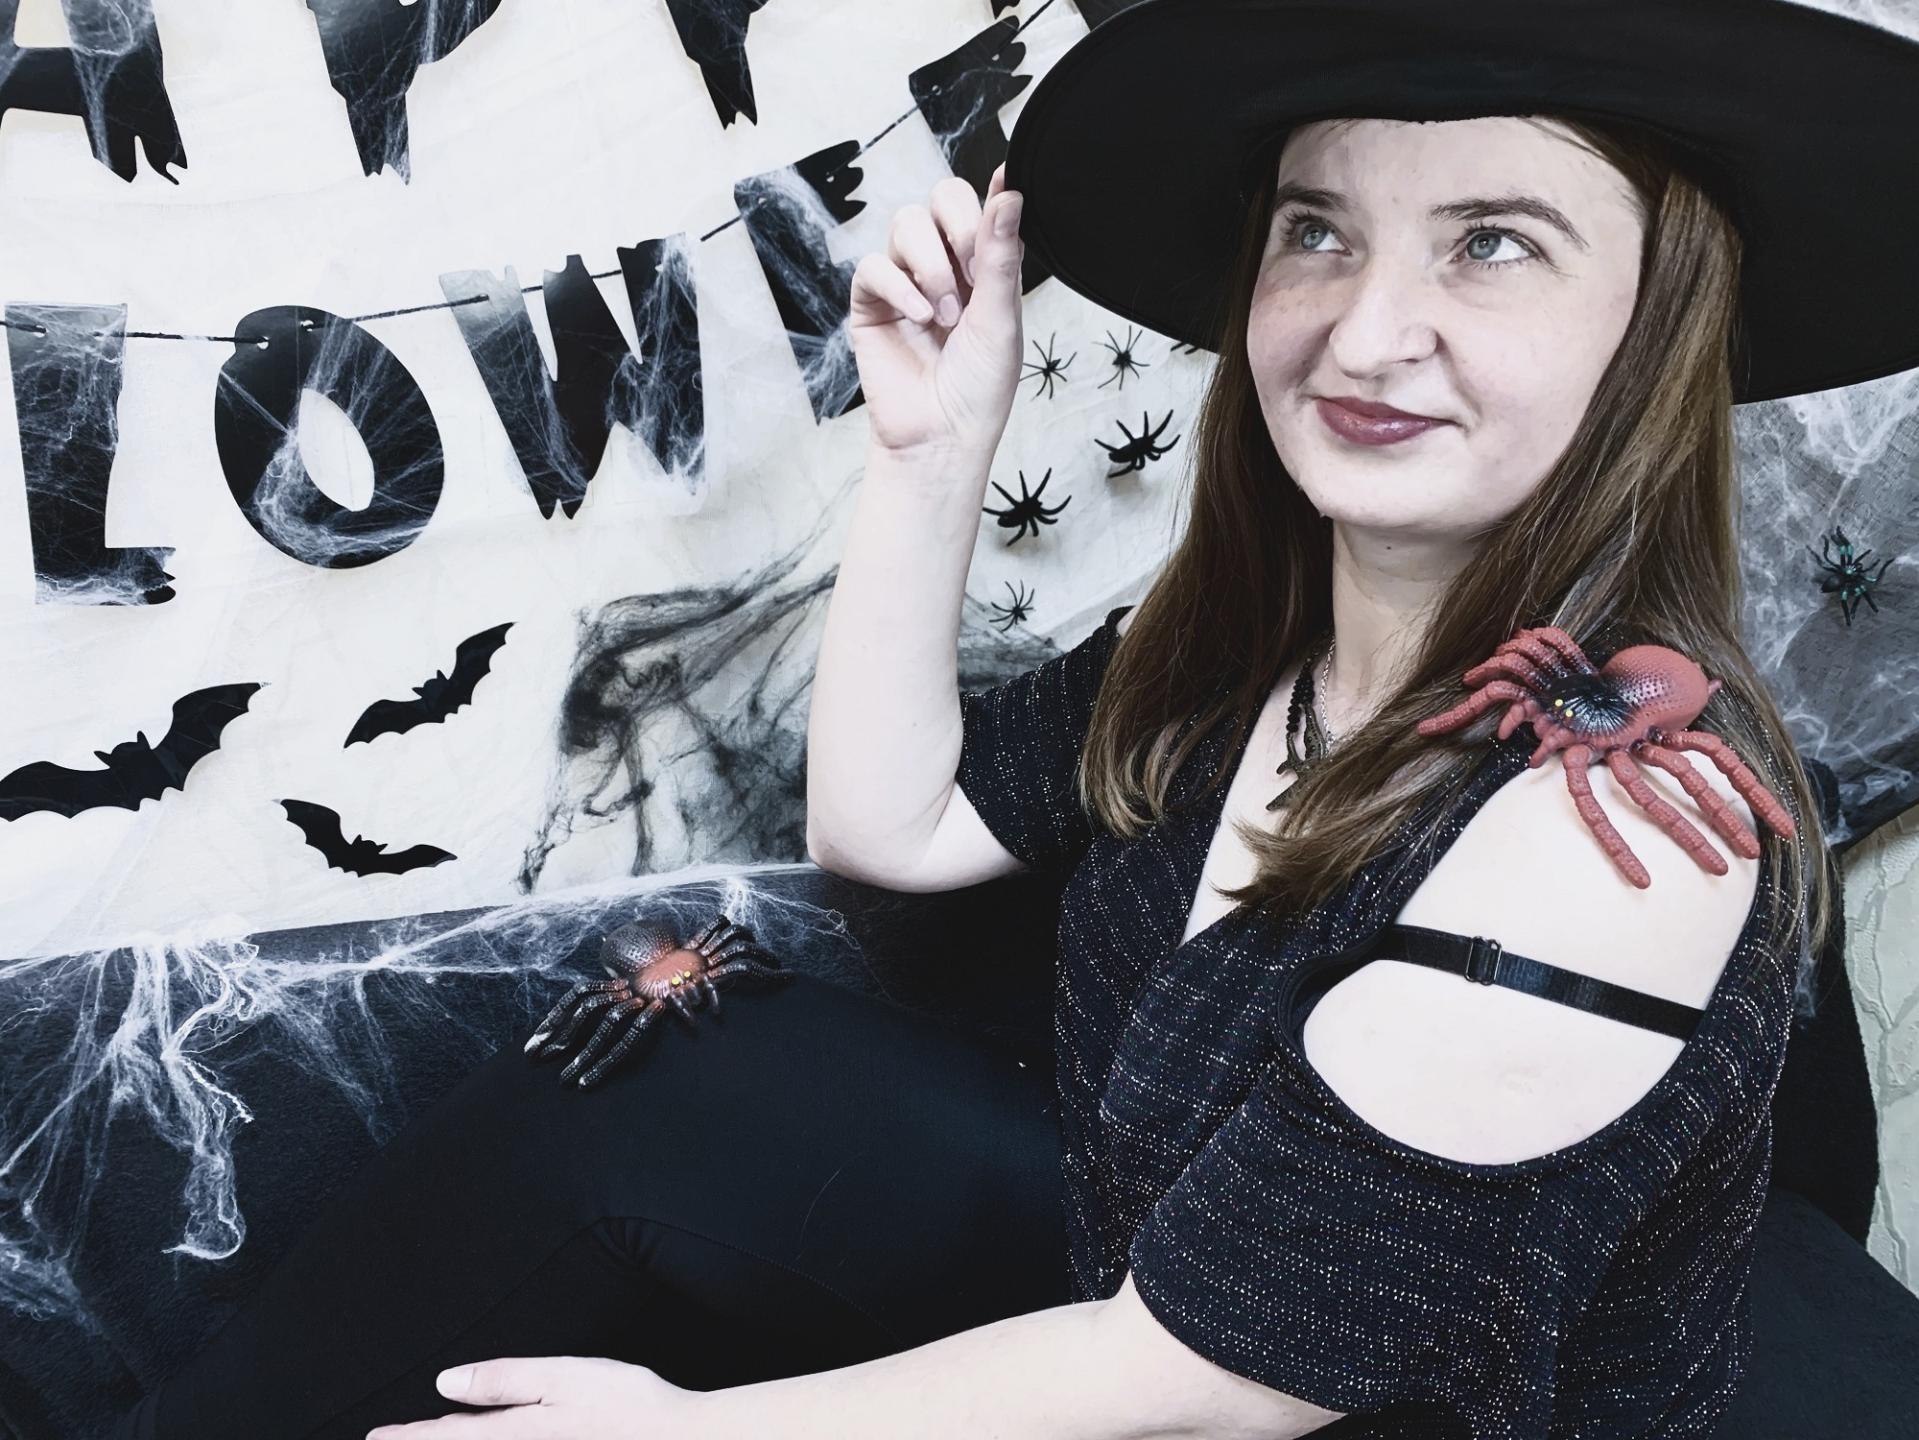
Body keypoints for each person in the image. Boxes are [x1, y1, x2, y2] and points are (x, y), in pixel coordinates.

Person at [110, 0, 1919, 1436]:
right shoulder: (1241, 655)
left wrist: (694, 1432)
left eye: (1494, 246)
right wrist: (930, 451)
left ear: (1659, 323)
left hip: (1269, 1394)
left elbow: (1205, 1380)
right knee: (671, 1080)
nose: (1366, 331)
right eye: (1317, 231)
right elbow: (890, 829)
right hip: (1145, 1287)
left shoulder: (1621, 822)